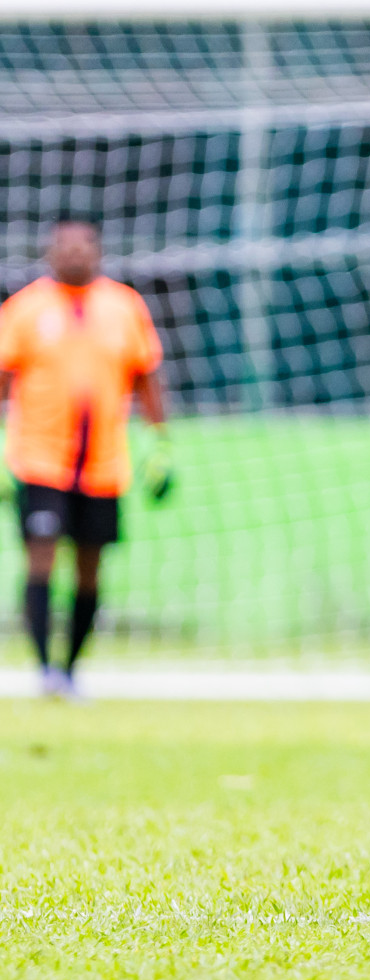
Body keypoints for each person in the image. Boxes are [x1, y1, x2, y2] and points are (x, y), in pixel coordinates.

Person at [0, 220, 172, 698]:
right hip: (39, 461)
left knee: (90, 568)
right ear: (49, 254)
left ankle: (71, 669)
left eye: (84, 246)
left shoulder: (124, 306)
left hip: (103, 464)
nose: (75, 254)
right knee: (41, 557)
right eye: (65, 247)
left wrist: (160, 444)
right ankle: (43, 670)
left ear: (98, 252)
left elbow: (146, 376)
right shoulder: (25, 308)